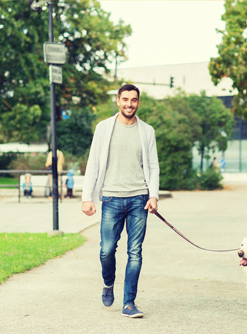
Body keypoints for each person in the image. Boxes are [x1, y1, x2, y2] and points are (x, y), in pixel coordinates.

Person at [81, 84, 159, 318]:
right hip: (111, 198)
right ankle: (108, 283)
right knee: (106, 251)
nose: (129, 104)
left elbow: (153, 166)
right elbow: (93, 163)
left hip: (138, 199)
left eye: (134, 100)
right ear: (117, 100)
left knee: (134, 252)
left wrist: (153, 195)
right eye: (125, 99)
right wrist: (87, 198)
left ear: (138, 102)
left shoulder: (147, 131)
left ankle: (129, 303)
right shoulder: (104, 128)